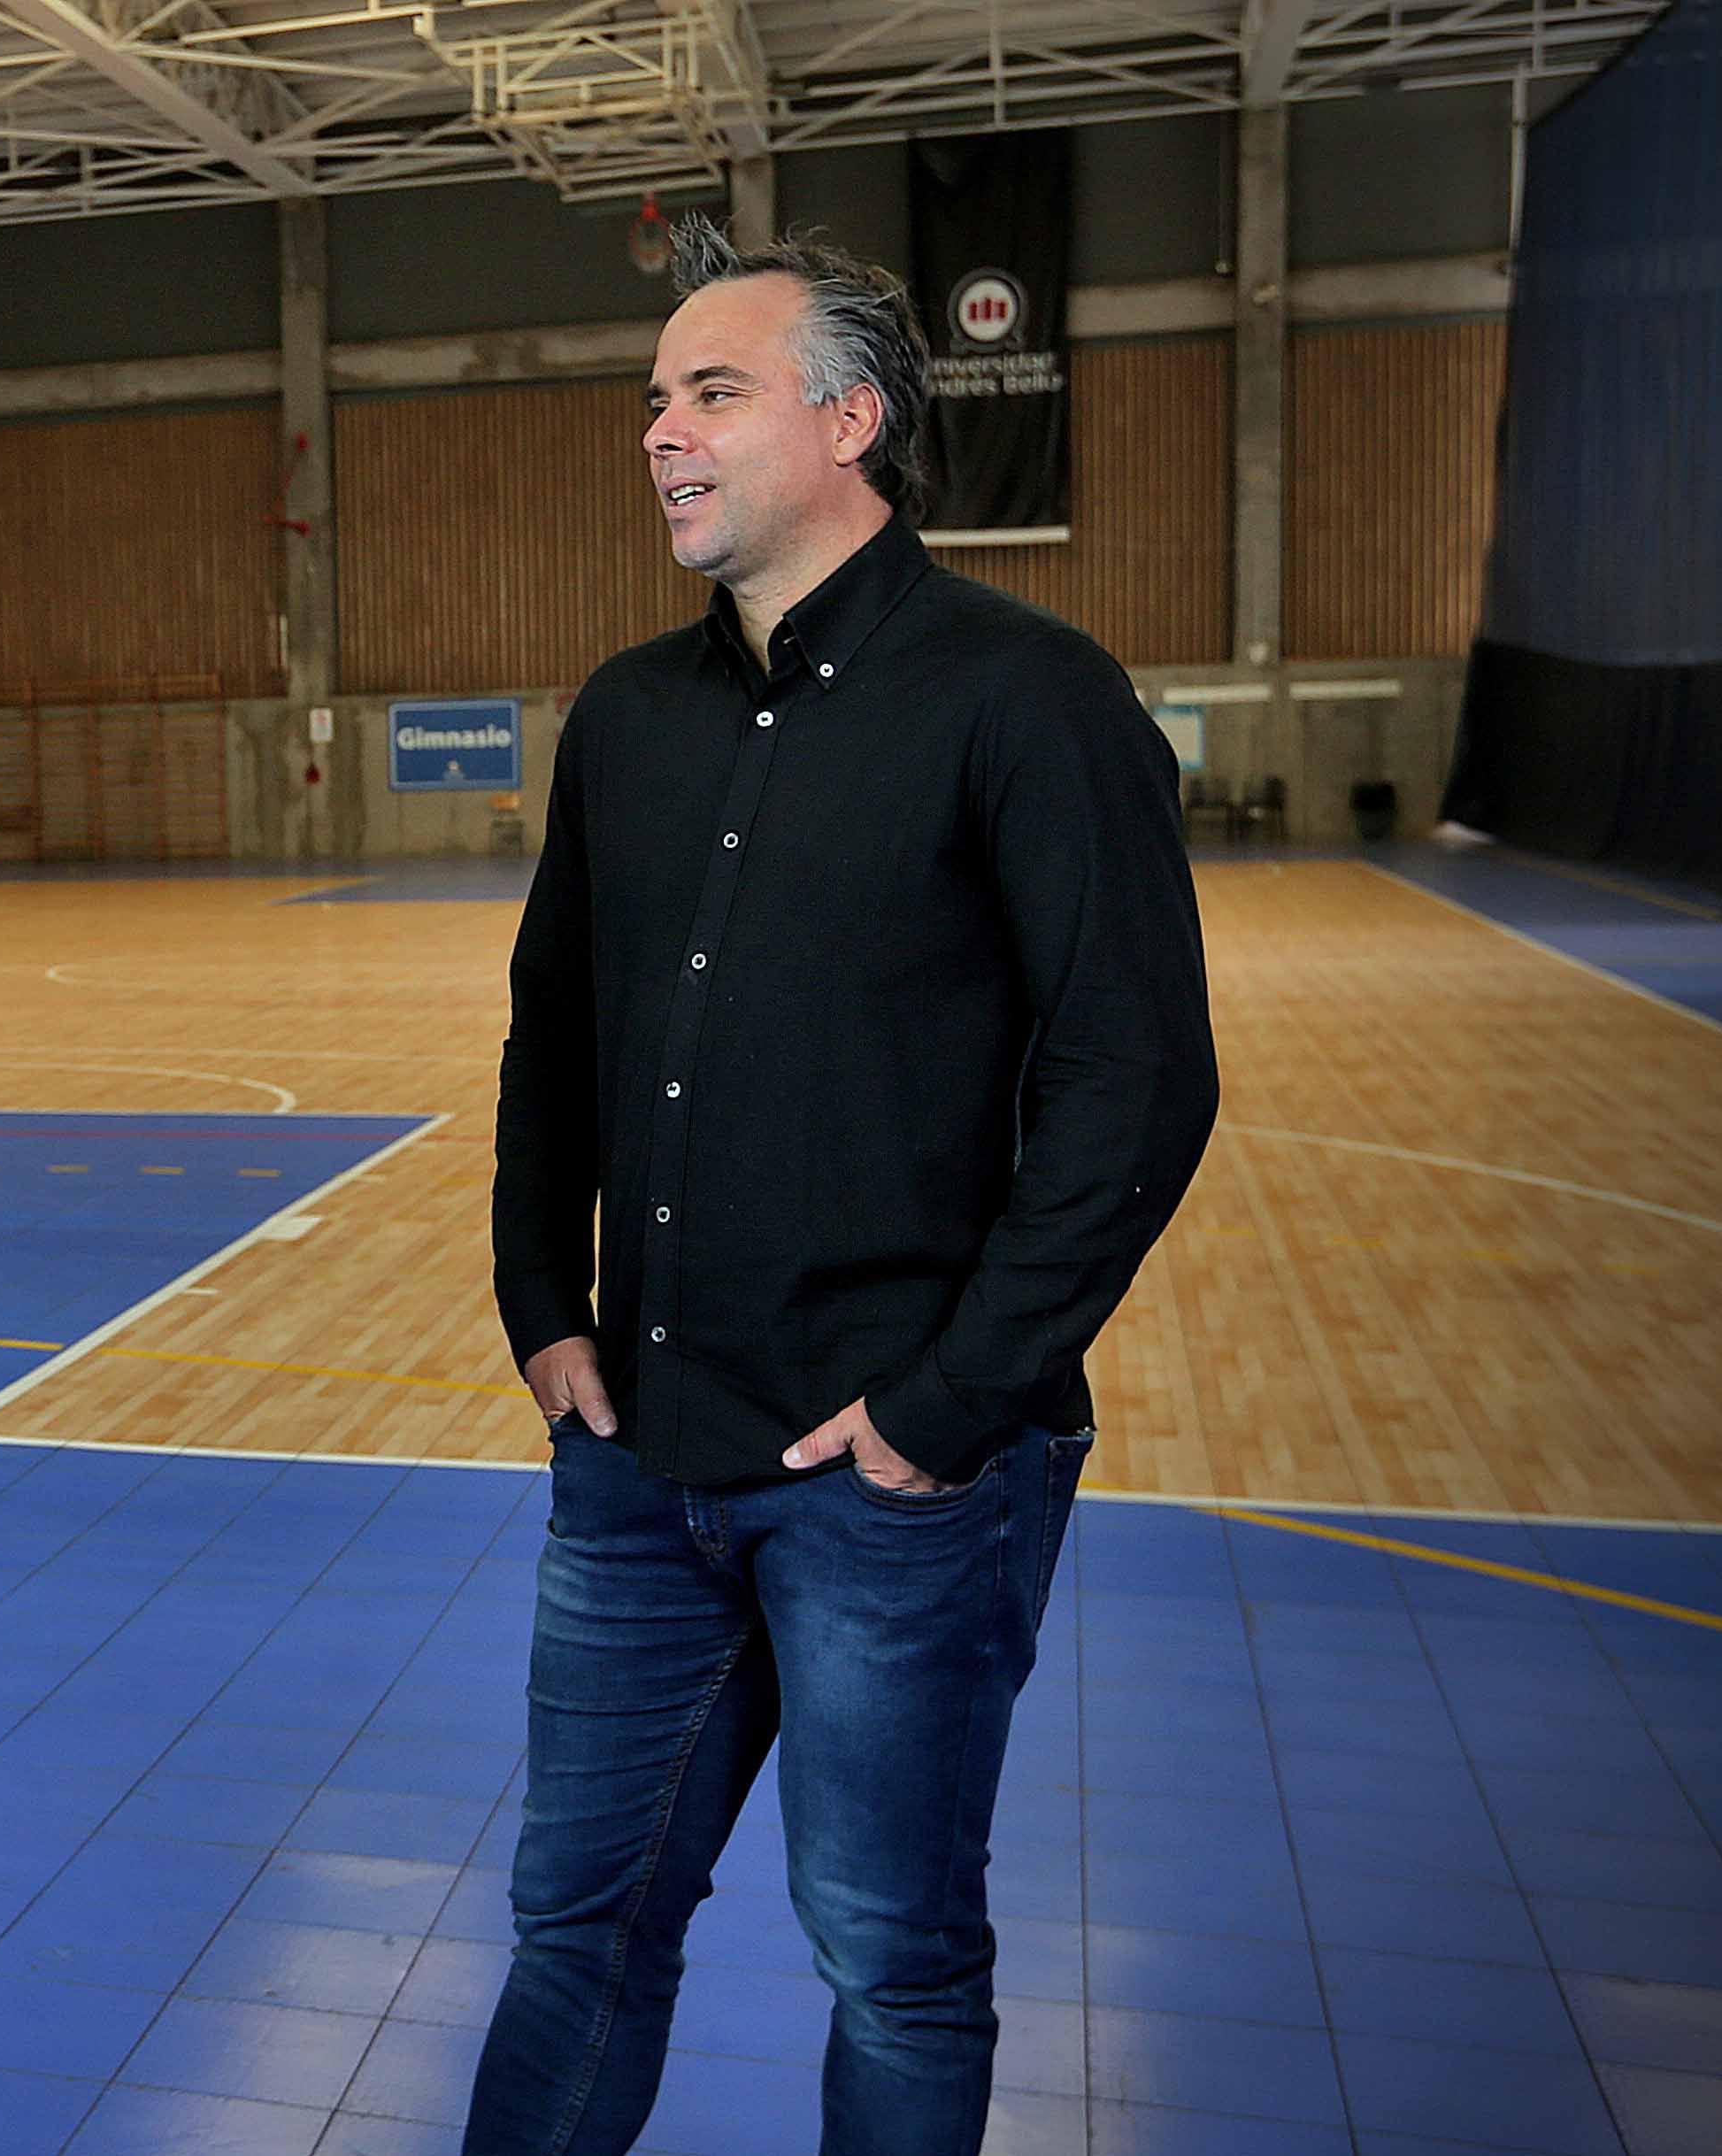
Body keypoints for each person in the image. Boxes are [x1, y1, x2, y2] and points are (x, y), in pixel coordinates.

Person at [473, 221, 1219, 2156]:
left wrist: (947, 1410)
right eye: (652, 399)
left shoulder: (1029, 699)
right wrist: (541, 1317)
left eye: (710, 392)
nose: (660, 432)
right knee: (578, 1929)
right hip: (637, 1463)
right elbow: (551, 1036)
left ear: (853, 421)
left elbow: (1135, 1086)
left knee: (891, 1954)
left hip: (896, 1482)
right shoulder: (629, 719)